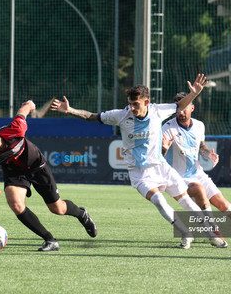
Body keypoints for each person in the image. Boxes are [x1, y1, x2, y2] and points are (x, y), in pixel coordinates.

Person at [51, 74, 226, 249]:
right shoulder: (121, 115)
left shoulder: (158, 111)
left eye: (136, 104)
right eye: (130, 103)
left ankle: (212, 235)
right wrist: (70, 110)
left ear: (146, 102)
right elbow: (93, 116)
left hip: (161, 167)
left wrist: (194, 93)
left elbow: (180, 105)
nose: (132, 107)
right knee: (158, 200)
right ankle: (184, 232)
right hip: (139, 172)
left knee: (186, 201)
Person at [0, 100, 97, 252]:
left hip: (36, 166)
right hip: (14, 171)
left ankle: (82, 214)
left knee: (57, 208)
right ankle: (50, 240)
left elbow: (24, 110)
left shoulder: (15, 129)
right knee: (15, 204)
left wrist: (30, 104)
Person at [162, 91, 231, 245]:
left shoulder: (199, 125)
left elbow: (201, 146)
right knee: (199, 190)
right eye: (178, 109)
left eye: (185, 108)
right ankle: (214, 232)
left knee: (224, 205)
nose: (181, 112)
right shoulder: (167, 128)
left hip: (198, 173)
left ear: (192, 108)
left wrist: (209, 154)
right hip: (178, 178)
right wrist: (164, 149)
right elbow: (160, 154)